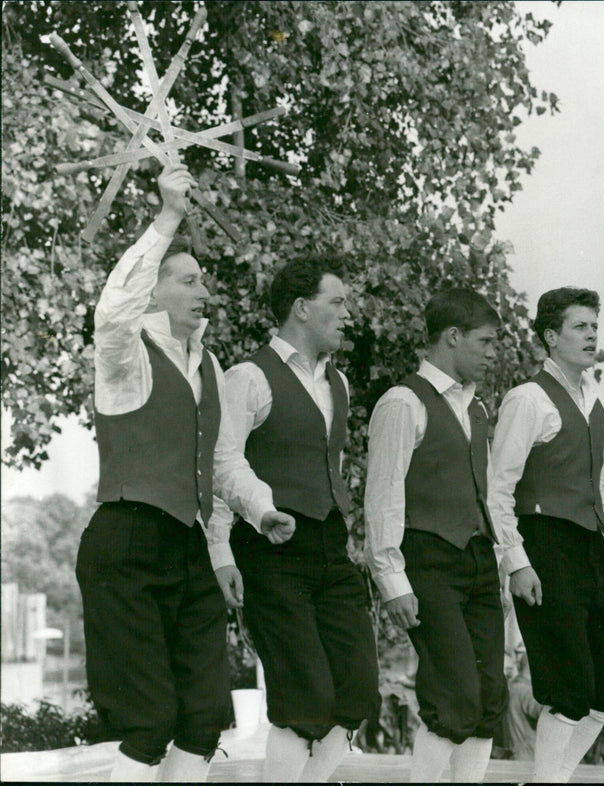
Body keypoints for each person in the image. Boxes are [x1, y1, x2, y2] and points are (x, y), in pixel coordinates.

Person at [75, 164, 230, 782]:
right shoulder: (126, 353)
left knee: (204, 716)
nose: (204, 293)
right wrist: (166, 218)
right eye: (189, 280)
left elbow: (218, 465)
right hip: (127, 542)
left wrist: (251, 513)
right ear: (157, 288)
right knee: (148, 719)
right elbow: (113, 310)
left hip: (188, 545)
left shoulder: (209, 366)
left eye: (203, 282)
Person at [208, 257, 380, 782]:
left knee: (357, 691)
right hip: (271, 548)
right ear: (301, 308)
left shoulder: (340, 384)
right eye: (338, 302)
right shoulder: (248, 377)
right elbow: (221, 464)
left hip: (330, 545)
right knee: (305, 695)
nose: (348, 313)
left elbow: (330, 467)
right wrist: (223, 551)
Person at [488, 286, 604, 783]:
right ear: (550, 337)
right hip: (542, 543)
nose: (592, 334)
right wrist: (518, 563)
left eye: (594, 326)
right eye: (580, 326)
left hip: (588, 548)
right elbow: (497, 491)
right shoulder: (528, 399)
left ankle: (550, 778)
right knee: (570, 690)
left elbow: (599, 485)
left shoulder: (595, 404)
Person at [364, 288, 507, 782]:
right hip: (427, 560)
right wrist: (393, 581)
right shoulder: (403, 402)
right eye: (486, 342)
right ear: (452, 337)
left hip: (477, 561)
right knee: (454, 699)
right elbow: (382, 497)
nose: (493, 354)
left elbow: (485, 495)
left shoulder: (478, 410)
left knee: (490, 701)